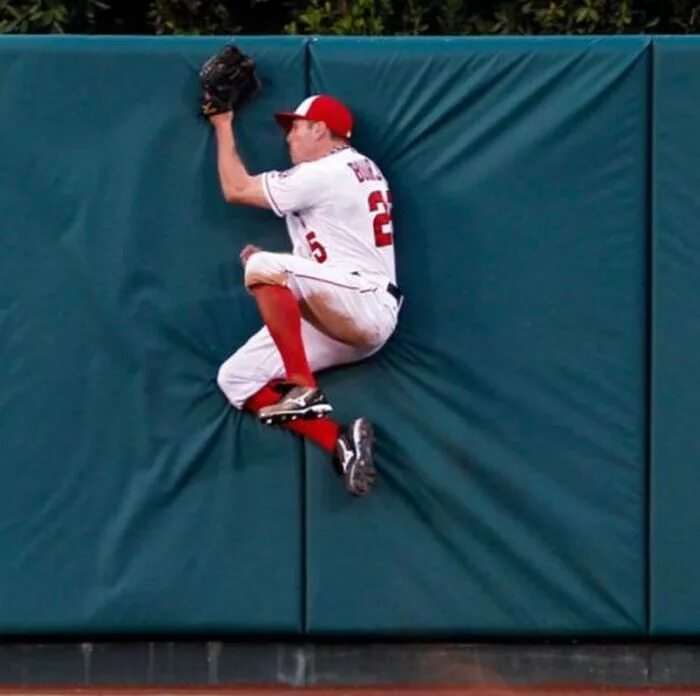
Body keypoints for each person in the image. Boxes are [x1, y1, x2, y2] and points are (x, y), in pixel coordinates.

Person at [208, 94, 401, 497]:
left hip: (363, 300)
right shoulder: (352, 169)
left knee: (261, 268)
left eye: (295, 128)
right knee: (237, 378)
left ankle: (302, 387)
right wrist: (282, 265)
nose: (289, 138)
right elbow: (328, 245)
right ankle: (341, 444)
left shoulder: (329, 170)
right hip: (338, 307)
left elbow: (236, 188)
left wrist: (223, 125)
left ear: (320, 130)